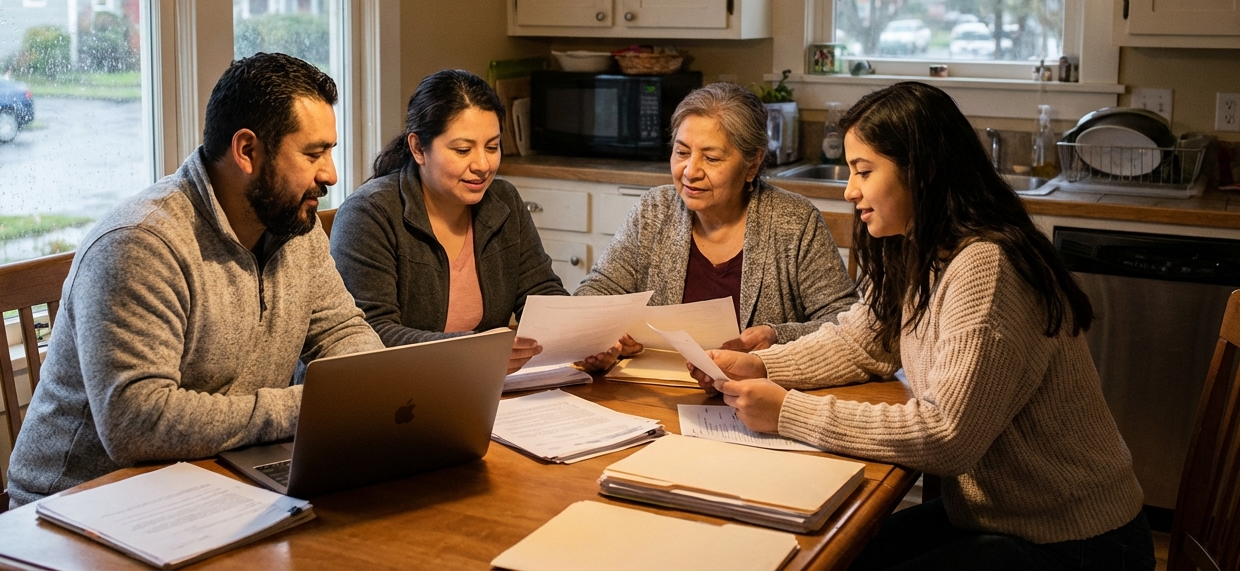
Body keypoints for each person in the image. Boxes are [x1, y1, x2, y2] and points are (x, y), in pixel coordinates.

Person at [693, 82, 1153, 570]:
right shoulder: (920, 247)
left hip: (1075, 542)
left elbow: (947, 435)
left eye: (863, 172)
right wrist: (759, 364)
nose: (850, 191)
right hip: (998, 518)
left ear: (923, 172)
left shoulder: (986, 267)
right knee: (835, 554)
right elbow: (860, 342)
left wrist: (788, 411)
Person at [6, 53, 384, 505]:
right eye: (313, 153)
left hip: (211, 476)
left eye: (330, 152)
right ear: (247, 151)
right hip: (81, 505)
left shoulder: (290, 224)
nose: (330, 175)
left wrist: (364, 387)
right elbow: (136, 423)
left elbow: (341, 330)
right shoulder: (139, 244)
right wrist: (312, 408)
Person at [331, 70, 607, 374]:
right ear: (418, 148)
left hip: (477, 387)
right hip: (392, 394)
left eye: (492, 147)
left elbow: (541, 294)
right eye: (463, 150)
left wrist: (587, 340)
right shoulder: (369, 213)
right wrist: (476, 351)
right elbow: (369, 334)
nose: (483, 165)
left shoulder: (504, 201)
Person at [577, 83, 858, 369]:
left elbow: (845, 322)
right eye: (682, 152)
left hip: (751, 401)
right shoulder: (653, 210)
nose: (690, 172)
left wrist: (777, 336)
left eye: (711, 158)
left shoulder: (795, 221)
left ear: (752, 163)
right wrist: (606, 336)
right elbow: (596, 292)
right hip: (657, 397)